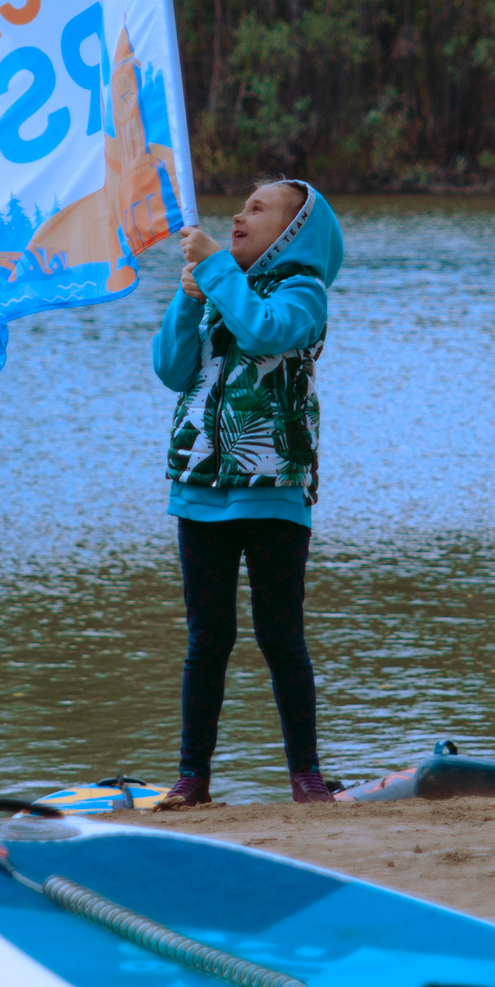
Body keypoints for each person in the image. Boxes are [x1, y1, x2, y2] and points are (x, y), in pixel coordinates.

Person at [150, 178, 346, 806]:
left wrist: (211, 268)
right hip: (200, 491)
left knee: (280, 636)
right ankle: (192, 778)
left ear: (292, 232)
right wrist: (187, 298)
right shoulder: (216, 289)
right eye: (240, 206)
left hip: (274, 494)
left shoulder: (304, 294)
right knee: (208, 638)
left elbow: (265, 331)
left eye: (257, 209)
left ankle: (306, 775)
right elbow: (171, 369)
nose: (238, 215)